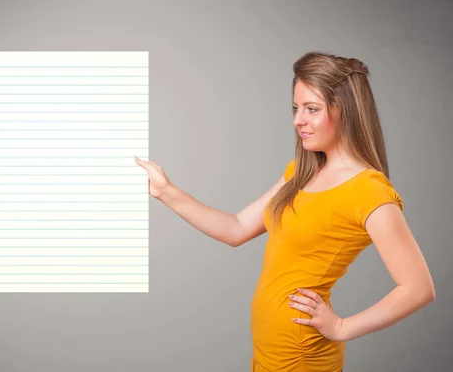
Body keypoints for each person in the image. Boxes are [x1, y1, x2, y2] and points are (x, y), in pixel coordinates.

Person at [134, 51, 436, 371]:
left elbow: (418, 288)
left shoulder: (368, 190)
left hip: (301, 354)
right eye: (295, 108)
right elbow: (236, 228)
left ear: (345, 110)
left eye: (311, 109)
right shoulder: (299, 173)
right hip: (270, 348)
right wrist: (166, 191)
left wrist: (342, 328)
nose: (297, 120)